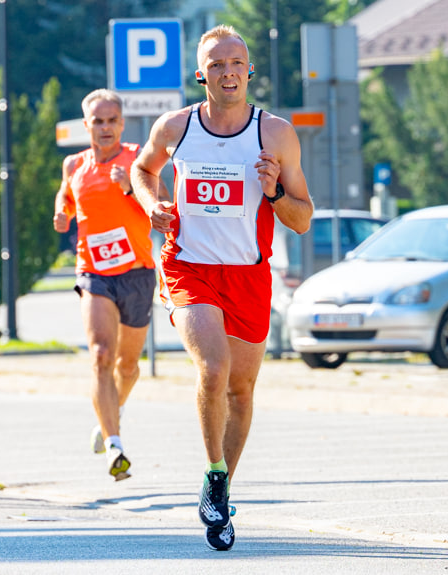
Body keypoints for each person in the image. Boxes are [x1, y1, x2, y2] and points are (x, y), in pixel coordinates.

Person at [130, 25, 313, 550]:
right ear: (200, 74)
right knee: (213, 370)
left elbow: (302, 219)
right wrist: (152, 204)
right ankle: (215, 472)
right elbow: (143, 169)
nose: (228, 72)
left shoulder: (274, 133)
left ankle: (221, 486)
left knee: (241, 389)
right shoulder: (176, 127)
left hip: (248, 274)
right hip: (190, 266)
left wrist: (274, 190)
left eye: (236, 63)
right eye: (216, 64)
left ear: (249, 70)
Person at [54, 89, 168, 481]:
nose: (104, 128)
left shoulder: (138, 160)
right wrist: (61, 212)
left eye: (111, 121)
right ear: (86, 125)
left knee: (128, 366)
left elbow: (163, 207)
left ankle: (109, 414)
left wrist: (126, 187)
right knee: (101, 355)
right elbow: (67, 196)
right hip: (94, 272)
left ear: (122, 123)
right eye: (96, 122)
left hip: (136, 272)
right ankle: (115, 445)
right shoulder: (74, 164)